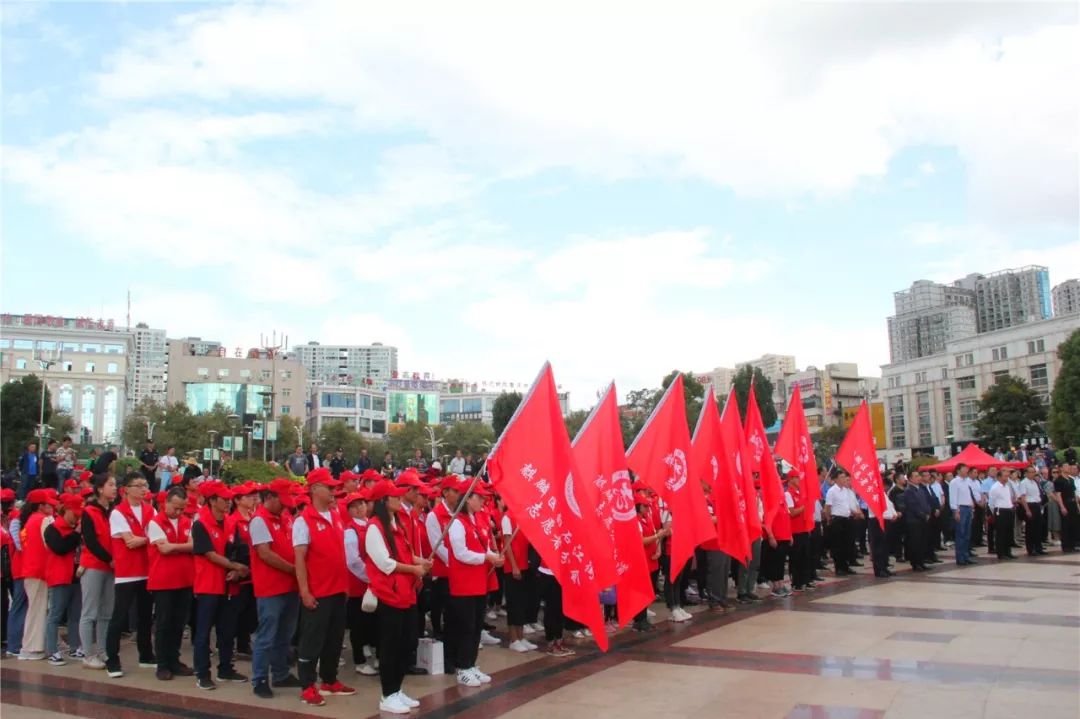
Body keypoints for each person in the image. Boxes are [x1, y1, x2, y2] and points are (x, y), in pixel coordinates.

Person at [365, 479, 429, 714]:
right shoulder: (375, 527)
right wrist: (414, 569)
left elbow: (406, 554)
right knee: (391, 646)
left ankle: (396, 689)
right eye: (394, 496)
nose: (399, 499)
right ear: (383, 501)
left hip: (406, 592)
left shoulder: (397, 524)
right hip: (389, 594)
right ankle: (387, 693)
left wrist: (421, 562)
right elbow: (385, 563)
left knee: (408, 643)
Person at [293, 468, 355, 706]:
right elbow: (300, 559)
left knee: (334, 638)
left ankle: (329, 680)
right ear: (314, 489)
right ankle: (307, 686)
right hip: (318, 591)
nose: (333, 491)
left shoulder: (336, 515)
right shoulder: (303, 521)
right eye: (329, 487)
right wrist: (304, 591)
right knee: (312, 640)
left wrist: (345, 585)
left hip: (338, 589)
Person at [191, 481, 249, 689]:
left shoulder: (231, 523)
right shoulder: (201, 524)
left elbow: (240, 550)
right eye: (224, 499)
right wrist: (235, 566)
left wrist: (237, 571)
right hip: (208, 585)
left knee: (227, 630)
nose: (228, 502)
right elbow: (209, 554)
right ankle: (202, 673)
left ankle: (225, 669)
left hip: (229, 585)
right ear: (213, 501)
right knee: (204, 632)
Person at [248, 478, 301, 699]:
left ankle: (280, 673)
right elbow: (265, 554)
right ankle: (260, 679)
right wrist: (294, 569)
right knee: (267, 635)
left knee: (285, 634)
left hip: (290, 586)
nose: (285, 507)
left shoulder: (285, 517)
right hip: (270, 588)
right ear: (269, 497)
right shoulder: (259, 520)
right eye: (282, 502)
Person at [448, 483, 503, 687]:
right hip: (464, 583)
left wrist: (492, 556)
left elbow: (484, 545)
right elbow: (460, 553)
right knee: (466, 626)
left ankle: (471, 664)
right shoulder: (457, 522)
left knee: (477, 626)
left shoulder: (479, 519)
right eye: (479, 497)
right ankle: (462, 667)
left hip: (480, 581)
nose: (482, 501)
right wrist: (486, 557)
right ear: (468, 498)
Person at [105, 472, 156, 678]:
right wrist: (148, 538)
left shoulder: (150, 509)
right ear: (126, 489)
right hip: (127, 572)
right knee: (119, 617)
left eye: (145, 485)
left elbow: (153, 535)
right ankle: (112, 660)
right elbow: (130, 542)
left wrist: (144, 538)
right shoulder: (118, 513)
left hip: (147, 570)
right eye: (139, 485)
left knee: (145, 617)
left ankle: (146, 655)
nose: (144, 489)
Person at [147, 486, 194, 681]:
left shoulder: (187, 521)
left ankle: (174, 660)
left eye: (182, 508)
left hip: (185, 578)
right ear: (166, 503)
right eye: (175, 508)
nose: (179, 512)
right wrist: (183, 547)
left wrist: (174, 546)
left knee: (179, 623)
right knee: (164, 623)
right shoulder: (155, 522)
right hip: (163, 580)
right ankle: (162, 663)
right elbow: (163, 550)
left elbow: (194, 545)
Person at [79, 474, 116, 669]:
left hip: (111, 566)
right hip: (94, 565)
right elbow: (91, 542)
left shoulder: (113, 511)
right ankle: (88, 654)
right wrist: (109, 559)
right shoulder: (89, 512)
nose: (114, 488)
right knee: (89, 612)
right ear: (100, 488)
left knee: (106, 613)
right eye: (111, 484)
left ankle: (103, 651)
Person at [44, 493, 84, 665]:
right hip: (59, 577)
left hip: (76, 577)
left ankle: (75, 647)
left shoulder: (75, 529)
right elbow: (60, 548)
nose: (77, 517)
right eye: (74, 513)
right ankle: (52, 650)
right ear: (66, 510)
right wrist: (76, 533)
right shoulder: (52, 528)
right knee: (55, 614)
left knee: (75, 615)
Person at [342, 489, 378, 677]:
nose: (359, 508)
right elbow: (353, 561)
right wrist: (371, 576)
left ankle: (376, 655)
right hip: (359, 585)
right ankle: (359, 661)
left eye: (361, 504)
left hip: (374, 583)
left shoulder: (372, 524)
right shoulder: (350, 530)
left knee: (374, 622)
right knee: (358, 625)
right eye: (354, 506)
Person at [18, 489, 57, 660]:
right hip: (40, 570)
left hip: (30, 570)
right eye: (48, 504)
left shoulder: (28, 521)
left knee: (35, 608)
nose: (51, 507)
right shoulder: (43, 520)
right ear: (41, 506)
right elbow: (50, 544)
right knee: (39, 609)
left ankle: (30, 646)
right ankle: (33, 648)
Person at [425, 477, 461, 654]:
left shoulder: (460, 513)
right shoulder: (434, 515)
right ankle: (444, 645)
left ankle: (454, 644)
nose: (459, 494)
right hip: (443, 572)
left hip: (458, 571)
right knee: (443, 609)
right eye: (455, 491)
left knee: (455, 612)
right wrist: (456, 561)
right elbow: (437, 545)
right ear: (445, 492)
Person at [824, 471, 858, 576]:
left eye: (844, 477)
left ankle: (845, 566)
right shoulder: (832, 491)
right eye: (842, 477)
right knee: (837, 545)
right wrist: (829, 519)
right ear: (836, 479)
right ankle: (839, 567)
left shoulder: (845, 491)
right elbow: (828, 507)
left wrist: (854, 513)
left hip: (847, 519)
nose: (844, 479)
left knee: (847, 544)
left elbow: (847, 505)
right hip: (837, 520)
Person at [949, 463, 979, 566]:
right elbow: (953, 497)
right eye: (964, 469)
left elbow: (968, 495)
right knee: (960, 534)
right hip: (960, 508)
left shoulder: (966, 482)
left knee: (967, 534)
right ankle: (960, 558)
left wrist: (972, 508)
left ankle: (966, 556)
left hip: (968, 508)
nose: (966, 471)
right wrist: (955, 511)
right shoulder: (954, 482)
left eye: (967, 469)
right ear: (958, 470)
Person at [902, 471, 931, 571]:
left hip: (923, 520)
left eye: (919, 476)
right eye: (916, 476)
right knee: (915, 542)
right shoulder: (909, 491)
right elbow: (913, 506)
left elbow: (926, 503)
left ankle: (921, 562)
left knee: (923, 542)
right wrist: (923, 515)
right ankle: (916, 563)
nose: (919, 478)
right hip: (914, 520)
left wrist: (928, 513)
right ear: (910, 479)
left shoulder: (921, 489)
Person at [988, 472, 1017, 560]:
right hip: (1000, 511)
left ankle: (1008, 551)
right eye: (1005, 476)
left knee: (1008, 532)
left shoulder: (1007, 486)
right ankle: (1001, 553)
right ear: (999, 477)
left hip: (1008, 510)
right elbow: (991, 503)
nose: (1007, 478)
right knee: (1001, 533)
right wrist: (995, 512)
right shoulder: (995, 487)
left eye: (1007, 476)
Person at [1018, 466, 1046, 556]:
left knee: (1038, 528)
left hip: (1037, 505)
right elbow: (1023, 497)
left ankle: (1038, 547)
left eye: (1034, 472)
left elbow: (1037, 495)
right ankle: (1031, 548)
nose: (1032, 474)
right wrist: (1027, 510)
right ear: (1026, 473)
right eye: (1030, 472)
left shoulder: (1035, 482)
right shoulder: (1023, 483)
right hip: (1030, 505)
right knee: (1030, 529)